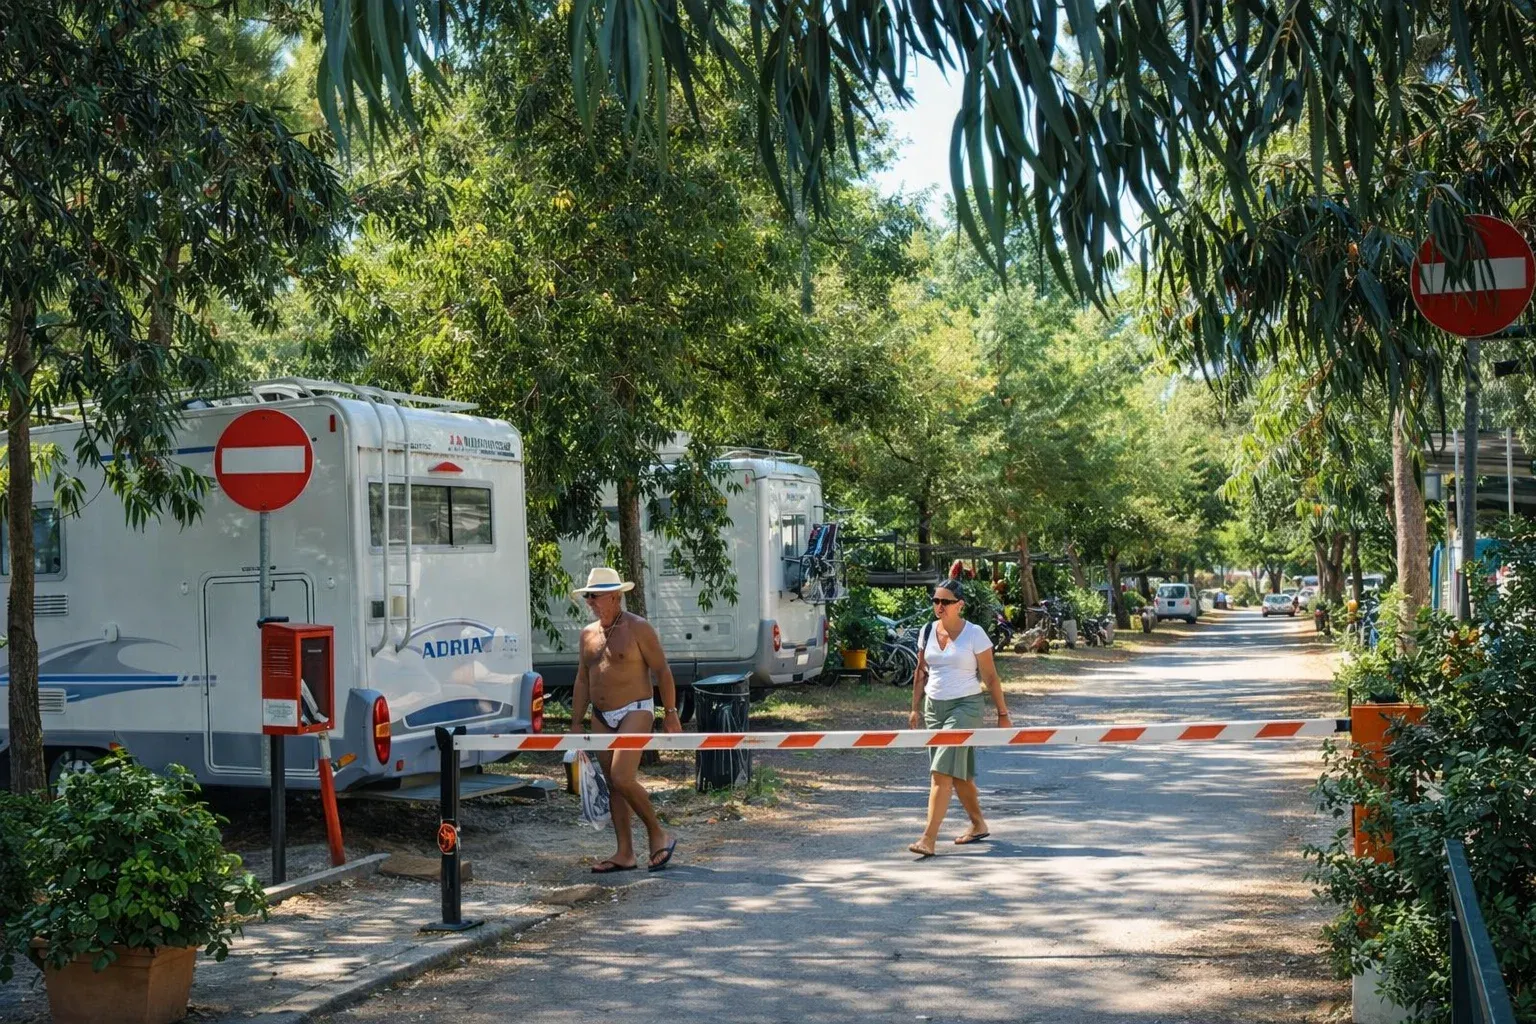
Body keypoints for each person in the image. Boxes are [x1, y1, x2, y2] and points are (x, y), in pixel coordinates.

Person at [570, 567, 682, 873]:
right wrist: (576, 722)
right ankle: (624, 853)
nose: (590, 601)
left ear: (616, 596)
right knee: (613, 785)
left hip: (636, 709)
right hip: (601, 716)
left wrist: (670, 712)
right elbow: (582, 680)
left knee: (622, 776)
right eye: (588, 596)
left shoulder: (638, 628)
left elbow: (662, 671)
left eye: (596, 596)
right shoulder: (588, 635)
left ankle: (658, 832)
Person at [907, 578, 1012, 857]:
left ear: (960, 605)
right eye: (935, 600)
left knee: (941, 771)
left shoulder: (974, 634)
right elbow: (921, 671)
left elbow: (989, 676)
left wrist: (1002, 713)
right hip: (934, 707)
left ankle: (928, 838)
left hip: (965, 706)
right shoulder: (927, 630)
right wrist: (915, 707)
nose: (939, 606)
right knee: (959, 773)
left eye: (945, 602)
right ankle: (978, 824)